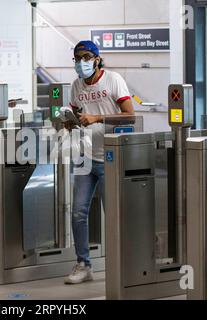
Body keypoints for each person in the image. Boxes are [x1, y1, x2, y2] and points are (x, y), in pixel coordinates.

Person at [64, 40, 135, 284]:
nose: (81, 62)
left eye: (85, 57)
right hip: (85, 156)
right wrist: (69, 121)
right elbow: (75, 114)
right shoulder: (76, 86)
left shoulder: (113, 80)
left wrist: (97, 117)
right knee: (78, 213)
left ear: (96, 58)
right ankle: (84, 264)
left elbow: (130, 115)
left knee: (113, 213)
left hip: (110, 158)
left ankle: (123, 263)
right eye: (77, 58)